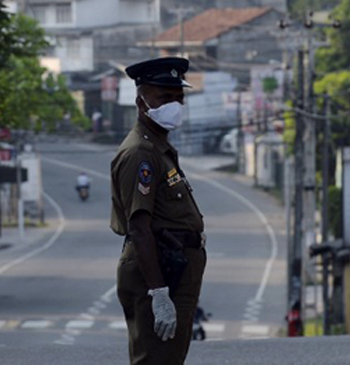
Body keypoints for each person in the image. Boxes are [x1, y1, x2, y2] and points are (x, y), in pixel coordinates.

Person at [110, 57, 207, 365]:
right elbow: (138, 228)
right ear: (141, 103)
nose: (175, 104)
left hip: (175, 270)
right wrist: (158, 293)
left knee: (169, 358)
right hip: (161, 273)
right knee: (155, 360)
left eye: (179, 97)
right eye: (165, 97)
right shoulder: (141, 153)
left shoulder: (158, 148)